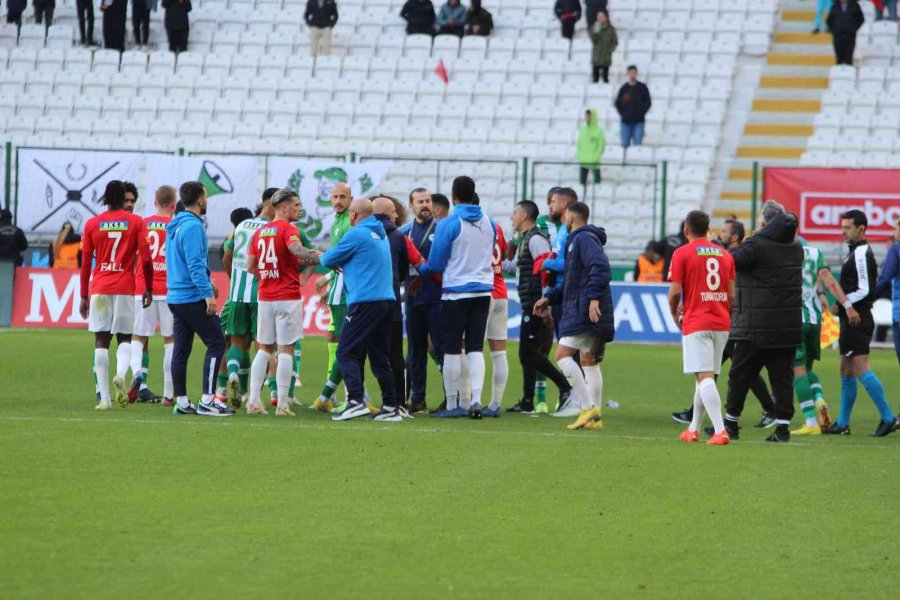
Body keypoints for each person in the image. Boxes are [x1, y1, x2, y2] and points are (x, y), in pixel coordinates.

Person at [723, 200, 803, 443]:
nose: (756, 229)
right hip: (787, 326)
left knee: (739, 375)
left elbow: (729, 261)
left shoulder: (757, 246)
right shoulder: (796, 247)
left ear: (768, 224)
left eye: (760, 224)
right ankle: (783, 429)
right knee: (782, 378)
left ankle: (731, 424)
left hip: (756, 325)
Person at [419, 176, 494, 418]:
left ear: (454, 198)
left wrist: (420, 268)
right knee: (475, 348)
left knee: (451, 349)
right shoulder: (489, 222)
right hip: (483, 291)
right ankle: (476, 401)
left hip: (455, 293)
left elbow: (437, 264)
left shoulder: (449, 224)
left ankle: (452, 405)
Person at [535, 200, 613, 431]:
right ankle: (595, 417)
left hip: (586, 307)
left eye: (565, 217)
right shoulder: (579, 240)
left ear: (570, 218)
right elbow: (573, 281)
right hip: (587, 305)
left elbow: (600, 267)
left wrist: (594, 299)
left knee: (562, 355)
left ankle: (587, 407)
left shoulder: (583, 239)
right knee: (588, 360)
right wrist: (550, 297)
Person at [321, 199, 399, 422]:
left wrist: (321, 255)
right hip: (386, 302)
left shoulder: (356, 234)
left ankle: (355, 401)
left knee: (345, 352)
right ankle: (391, 406)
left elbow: (328, 259)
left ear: (353, 214)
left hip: (365, 302)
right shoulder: (380, 234)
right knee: (379, 357)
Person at [245, 190, 321, 417]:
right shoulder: (289, 229)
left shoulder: (259, 233)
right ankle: (282, 405)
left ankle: (254, 401)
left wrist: (270, 275)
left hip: (265, 296)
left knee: (265, 348)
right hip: (287, 297)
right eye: (296, 205)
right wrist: (320, 256)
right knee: (286, 349)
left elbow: (250, 266)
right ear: (284, 208)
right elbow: (297, 250)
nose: (299, 208)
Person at [78, 180, 152, 410]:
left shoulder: (92, 224)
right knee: (125, 338)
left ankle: (106, 399)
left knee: (101, 341)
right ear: (123, 198)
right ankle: (121, 373)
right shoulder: (136, 222)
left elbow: (85, 265)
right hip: (125, 287)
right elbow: (147, 259)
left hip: (100, 287)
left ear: (106, 198)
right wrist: (147, 286)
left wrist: (83, 296)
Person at [825, 209, 897, 437]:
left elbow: (865, 290)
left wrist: (843, 303)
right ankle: (843, 423)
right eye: (842, 226)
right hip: (851, 317)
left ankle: (888, 417)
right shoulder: (854, 251)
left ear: (861, 229)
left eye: (847, 227)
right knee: (845, 368)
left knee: (860, 367)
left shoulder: (861, 252)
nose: (843, 231)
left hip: (859, 317)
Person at [165, 181, 234, 417]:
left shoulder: (175, 226)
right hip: (191, 296)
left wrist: (208, 283)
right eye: (206, 197)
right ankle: (207, 400)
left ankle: (182, 402)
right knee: (217, 342)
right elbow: (194, 264)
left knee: (181, 350)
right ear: (201, 200)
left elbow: (185, 262)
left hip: (175, 295)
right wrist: (207, 294)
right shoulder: (193, 227)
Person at [667, 211, 736, 445]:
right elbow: (733, 294)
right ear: (708, 229)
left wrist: (674, 313)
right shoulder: (725, 255)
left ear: (687, 229)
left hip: (698, 321)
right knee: (705, 376)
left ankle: (720, 430)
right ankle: (693, 428)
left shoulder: (682, 253)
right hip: (721, 321)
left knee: (703, 375)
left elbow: (675, 291)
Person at [505, 200, 572, 416]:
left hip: (536, 303)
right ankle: (527, 401)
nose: (511, 217)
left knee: (529, 353)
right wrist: (493, 264)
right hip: (529, 302)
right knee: (527, 354)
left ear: (524, 216)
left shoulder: (535, 239)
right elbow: (517, 267)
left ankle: (565, 387)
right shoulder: (527, 239)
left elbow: (546, 272)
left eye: (514, 213)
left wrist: (545, 302)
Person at [791, 234, 856, 435]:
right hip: (814, 318)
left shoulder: (784, 251)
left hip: (795, 318)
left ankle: (810, 422)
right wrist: (847, 305)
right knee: (807, 368)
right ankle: (818, 396)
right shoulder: (814, 252)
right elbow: (828, 281)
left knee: (797, 369)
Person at [220, 189, 276, 409]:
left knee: (236, 342)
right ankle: (253, 396)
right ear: (271, 206)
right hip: (261, 294)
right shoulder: (270, 229)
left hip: (237, 293)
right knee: (262, 346)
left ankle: (233, 375)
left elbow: (227, 256)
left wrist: (234, 279)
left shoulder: (242, 226)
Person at [125, 185, 176, 405]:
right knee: (170, 341)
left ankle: (137, 372)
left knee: (138, 336)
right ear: (173, 205)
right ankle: (168, 394)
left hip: (142, 288)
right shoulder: (176, 225)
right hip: (169, 290)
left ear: (155, 203)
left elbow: (135, 257)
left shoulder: (143, 223)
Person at [539, 187, 580, 417]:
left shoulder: (571, 233)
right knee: (569, 350)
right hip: (558, 295)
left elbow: (568, 266)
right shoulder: (565, 230)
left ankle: (577, 400)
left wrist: (546, 263)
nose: (550, 206)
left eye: (553, 202)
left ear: (564, 205)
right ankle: (579, 400)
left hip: (566, 296)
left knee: (570, 352)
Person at [401, 188, 443, 414]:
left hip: (437, 298)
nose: (425, 205)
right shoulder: (404, 233)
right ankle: (418, 400)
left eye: (427, 201)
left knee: (443, 349)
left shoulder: (441, 230)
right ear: (411, 206)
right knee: (415, 352)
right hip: (413, 300)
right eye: (420, 202)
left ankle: (452, 398)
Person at [312, 183, 352, 412]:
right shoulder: (337, 222)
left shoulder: (348, 222)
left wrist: (327, 277)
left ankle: (333, 395)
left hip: (346, 293)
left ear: (350, 199)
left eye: (342, 197)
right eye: (335, 197)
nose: (338, 201)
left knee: (346, 345)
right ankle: (337, 396)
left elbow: (344, 259)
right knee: (341, 343)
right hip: (338, 292)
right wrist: (329, 283)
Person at [372, 195, 413, 419]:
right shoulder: (399, 237)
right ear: (388, 213)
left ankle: (358, 400)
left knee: (371, 355)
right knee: (396, 355)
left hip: (367, 303)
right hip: (392, 303)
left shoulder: (364, 235)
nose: (398, 215)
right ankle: (400, 403)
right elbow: (404, 272)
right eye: (395, 212)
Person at [482, 215, 509, 417]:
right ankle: (495, 404)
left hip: (482, 292)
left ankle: (467, 401)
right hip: (501, 291)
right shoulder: (496, 226)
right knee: (499, 353)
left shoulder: (470, 226)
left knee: (470, 350)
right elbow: (505, 252)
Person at [875, 220, 900, 367]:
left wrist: (869, 299)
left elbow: (885, 279)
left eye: (896, 227)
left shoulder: (896, 250)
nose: (894, 231)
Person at [615, 65, 652, 151]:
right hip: (625, 122)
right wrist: (624, 114)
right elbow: (618, 103)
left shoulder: (642, 87)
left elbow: (648, 102)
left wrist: (641, 112)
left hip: (639, 122)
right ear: (628, 74)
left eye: (634, 72)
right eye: (630, 72)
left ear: (636, 73)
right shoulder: (624, 88)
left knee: (637, 145)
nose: (632, 74)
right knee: (625, 145)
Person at [826, 0, 865, 66]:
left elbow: (861, 19)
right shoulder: (834, 7)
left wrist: (854, 28)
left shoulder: (855, 6)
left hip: (850, 37)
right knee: (839, 60)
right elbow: (829, 20)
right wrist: (834, 30)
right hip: (838, 37)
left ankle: (849, 75)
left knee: (848, 60)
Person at [576, 109, 605, 196]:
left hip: (594, 161)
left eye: (589, 116)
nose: (587, 118)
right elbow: (579, 144)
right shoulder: (583, 130)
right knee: (582, 184)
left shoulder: (599, 131)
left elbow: (601, 146)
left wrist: (595, 157)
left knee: (596, 185)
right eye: (586, 116)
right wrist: (579, 156)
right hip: (583, 161)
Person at [588, 9, 617, 84]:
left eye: (601, 16)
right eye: (598, 16)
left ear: (606, 17)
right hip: (596, 57)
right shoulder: (594, 27)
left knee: (605, 78)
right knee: (595, 78)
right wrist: (595, 33)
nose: (599, 18)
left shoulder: (611, 29)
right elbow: (594, 41)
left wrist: (610, 50)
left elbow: (615, 41)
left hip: (606, 57)